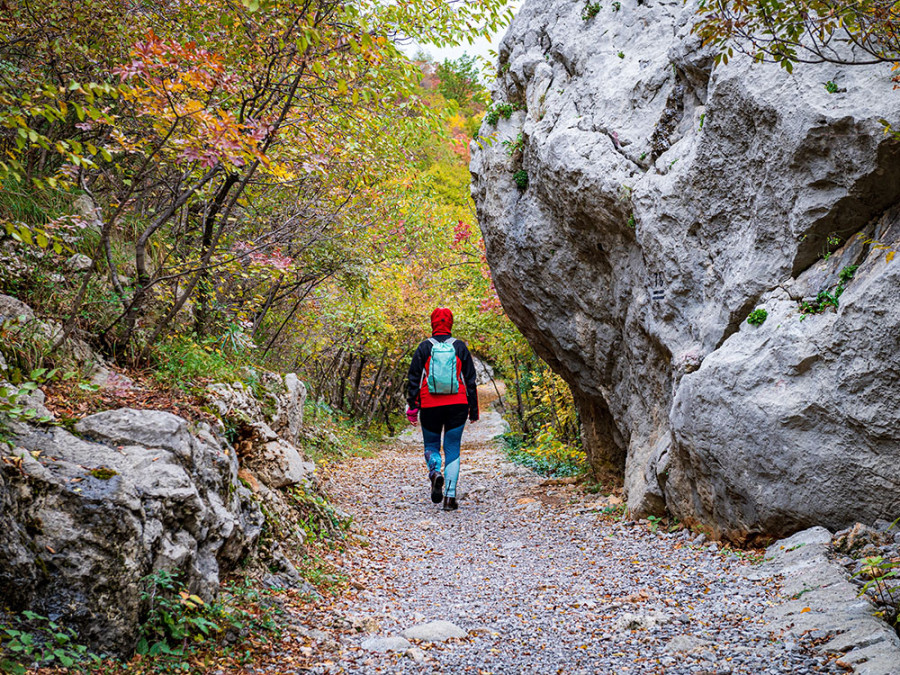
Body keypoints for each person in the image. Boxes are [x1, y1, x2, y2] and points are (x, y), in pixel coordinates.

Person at [406, 307, 479, 511]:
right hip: (458, 405)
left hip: (430, 404)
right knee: (453, 449)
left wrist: (412, 407)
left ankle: (435, 471)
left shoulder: (423, 348)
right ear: (451, 323)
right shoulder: (460, 347)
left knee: (431, 445)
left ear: (432, 323)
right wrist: (474, 410)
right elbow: (470, 381)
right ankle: (449, 497)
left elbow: (414, 379)